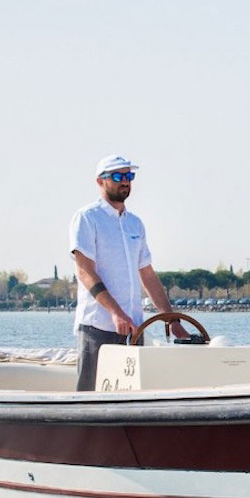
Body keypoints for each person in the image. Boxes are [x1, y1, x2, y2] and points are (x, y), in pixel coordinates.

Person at [69, 154, 188, 390]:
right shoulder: (87, 218)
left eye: (129, 176)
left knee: (132, 395)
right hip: (98, 328)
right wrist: (115, 313)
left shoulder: (135, 224)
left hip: (134, 329)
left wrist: (172, 320)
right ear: (100, 181)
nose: (125, 181)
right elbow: (85, 272)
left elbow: (148, 275)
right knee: (89, 397)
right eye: (117, 176)